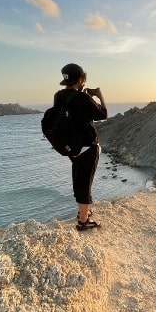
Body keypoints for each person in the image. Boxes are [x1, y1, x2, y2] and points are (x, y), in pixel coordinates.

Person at [53, 63, 108, 230]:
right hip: (86, 146)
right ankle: (83, 221)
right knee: (85, 182)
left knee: (78, 179)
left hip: (72, 147)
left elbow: (70, 115)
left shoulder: (59, 96)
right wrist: (99, 95)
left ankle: (82, 212)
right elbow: (102, 114)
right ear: (82, 79)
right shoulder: (83, 98)